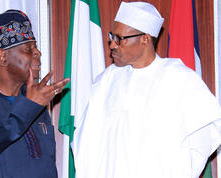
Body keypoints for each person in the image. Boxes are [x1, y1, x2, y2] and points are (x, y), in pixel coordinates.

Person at [72, 2, 221, 178]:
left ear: (145, 39)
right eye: (111, 36)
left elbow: (206, 133)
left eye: (119, 39)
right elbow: (86, 141)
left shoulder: (179, 79)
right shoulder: (106, 81)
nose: (112, 45)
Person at [0, 9, 69, 178]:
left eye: (35, 47)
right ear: (2, 57)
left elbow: (46, 165)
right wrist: (29, 106)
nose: (38, 53)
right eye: (28, 49)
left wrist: (32, 104)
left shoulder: (32, 97)